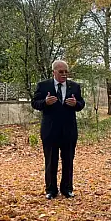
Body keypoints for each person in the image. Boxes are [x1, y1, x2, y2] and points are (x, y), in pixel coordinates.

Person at [31, 60, 85, 199]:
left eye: (66, 72)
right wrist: (45, 102)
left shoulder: (75, 86)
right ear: (54, 72)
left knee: (68, 160)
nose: (64, 74)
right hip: (50, 130)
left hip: (69, 130)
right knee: (51, 161)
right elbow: (35, 103)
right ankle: (51, 190)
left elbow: (81, 103)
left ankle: (67, 189)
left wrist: (75, 104)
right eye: (61, 72)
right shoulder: (44, 86)